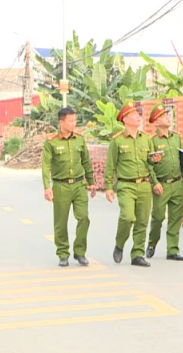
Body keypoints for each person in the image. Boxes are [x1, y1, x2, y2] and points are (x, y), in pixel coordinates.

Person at [105, 101, 163, 267]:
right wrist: (109, 187)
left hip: (144, 184)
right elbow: (110, 166)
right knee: (127, 217)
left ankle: (137, 253)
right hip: (126, 185)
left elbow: (149, 164)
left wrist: (155, 178)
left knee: (142, 221)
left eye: (138, 115)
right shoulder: (117, 141)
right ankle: (120, 243)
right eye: (134, 115)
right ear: (125, 119)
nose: (138, 117)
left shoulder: (146, 138)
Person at [42, 107, 95, 267]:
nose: (74, 124)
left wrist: (91, 182)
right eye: (70, 121)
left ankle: (80, 252)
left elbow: (86, 161)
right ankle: (63, 253)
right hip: (60, 186)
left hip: (79, 185)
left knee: (84, 218)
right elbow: (46, 166)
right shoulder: (51, 141)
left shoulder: (79, 139)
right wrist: (47, 187)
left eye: (75, 120)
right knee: (61, 222)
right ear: (61, 122)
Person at [145, 103, 183, 261]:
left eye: (167, 115)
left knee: (176, 218)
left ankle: (172, 249)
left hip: (177, 182)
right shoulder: (153, 140)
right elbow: (148, 164)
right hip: (161, 184)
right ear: (156, 122)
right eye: (163, 116)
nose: (167, 118)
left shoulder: (176, 137)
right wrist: (154, 182)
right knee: (158, 217)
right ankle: (152, 243)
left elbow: (182, 158)